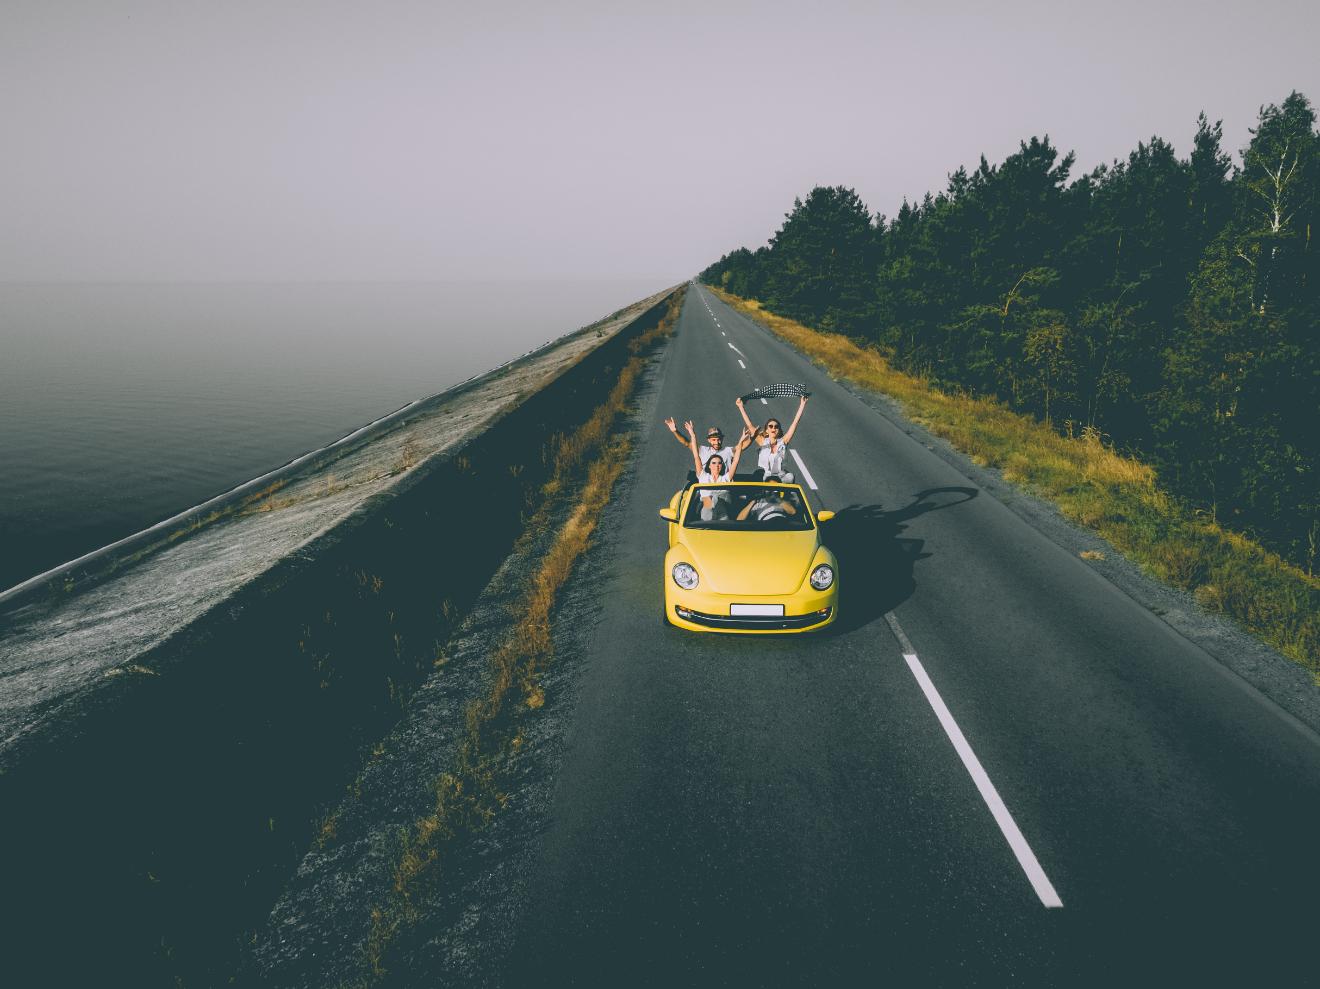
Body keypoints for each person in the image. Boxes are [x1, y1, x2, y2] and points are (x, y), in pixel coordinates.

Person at [735, 394, 808, 482]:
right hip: (766, 476)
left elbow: (795, 423)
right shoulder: (762, 441)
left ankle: (784, 495)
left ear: (779, 430)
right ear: (766, 430)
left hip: (780, 476)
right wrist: (740, 407)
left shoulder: (783, 441)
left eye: (776, 427)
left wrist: (802, 404)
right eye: (771, 426)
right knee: (760, 479)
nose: (773, 428)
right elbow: (750, 426)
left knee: (790, 477)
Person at [683, 421, 748, 520]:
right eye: (713, 463)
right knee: (709, 502)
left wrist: (741, 440)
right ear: (709, 465)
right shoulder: (703, 476)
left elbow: (736, 460)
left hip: (724, 507)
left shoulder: (726, 478)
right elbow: (696, 456)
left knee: (719, 502)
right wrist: (692, 434)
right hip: (706, 505)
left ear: (722, 466)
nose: (717, 465)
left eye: (719, 463)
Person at [663, 418, 751, 478]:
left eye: (719, 439)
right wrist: (675, 431)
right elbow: (687, 443)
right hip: (705, 487)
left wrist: (753, 436)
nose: (716, 442)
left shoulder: (728, 451)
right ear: (709, 440)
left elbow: (741, 447)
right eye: (713, 440)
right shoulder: (702, 451)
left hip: (724, 487)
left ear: (722, 439)